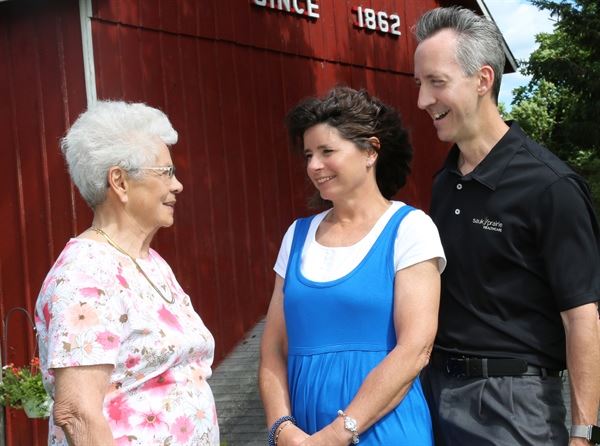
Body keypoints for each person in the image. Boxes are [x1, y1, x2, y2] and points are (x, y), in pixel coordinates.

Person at [413, 6, 600, 446]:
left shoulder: (550, 186)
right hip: (434, 394)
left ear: (482, 80)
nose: (422, 100)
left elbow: (582, 319)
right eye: (419, 84)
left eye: (436, 83)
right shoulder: (445, 182)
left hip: (513, 408)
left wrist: (583, 434)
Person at [258, 86, 446, 445]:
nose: (314, 165)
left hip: (384, 431)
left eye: (327, 151)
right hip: (303, 437)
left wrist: (338, 433)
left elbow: (415, 349)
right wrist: (282, 428)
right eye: (308, 154)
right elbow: (272, 350)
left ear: (370, 151)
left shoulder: (410, 228)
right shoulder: (296, 236)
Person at [34, 101, 219, 445]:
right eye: (166, 173)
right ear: (119, 181)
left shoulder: (148, 261)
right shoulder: (86, 275)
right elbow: (77, 412)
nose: (177, 185)